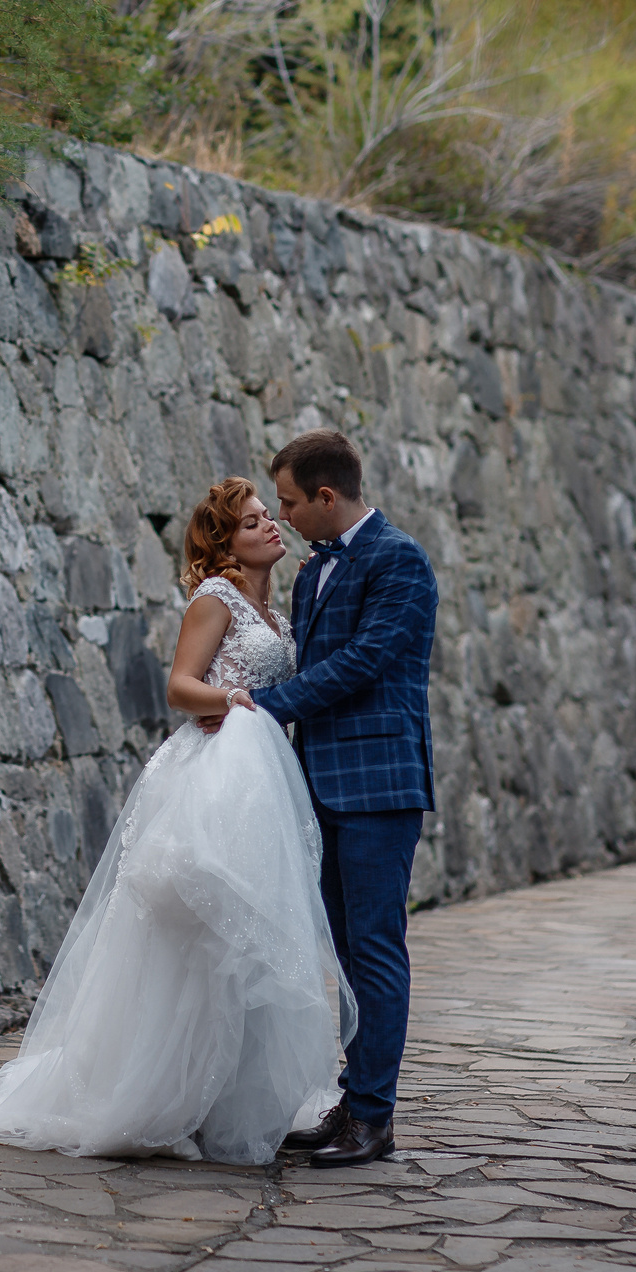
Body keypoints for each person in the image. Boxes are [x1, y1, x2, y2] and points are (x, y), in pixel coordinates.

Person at [0, 478, 353, 1164]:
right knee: (195, 934)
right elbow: (180, 686)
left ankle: (223, 1098)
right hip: (219, 768)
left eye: (269, 516)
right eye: (253, 521)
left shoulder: (275, 610)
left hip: (262, 777)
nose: (272, 525)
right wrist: (234, 696)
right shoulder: (215, 598)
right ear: (225, 543)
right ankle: (156, 1093)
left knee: (242, 942)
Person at [244, 429, 439, 1168]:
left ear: (328, 496)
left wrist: (266, 704)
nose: (284, 516)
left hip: (379, 787)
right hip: (317, 783)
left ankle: (375, 1118)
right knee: (345, 954)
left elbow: (362, 664)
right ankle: (352, 1102)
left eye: (291, 502)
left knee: (375, 951)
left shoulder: (401, 561)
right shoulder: (312, 571)